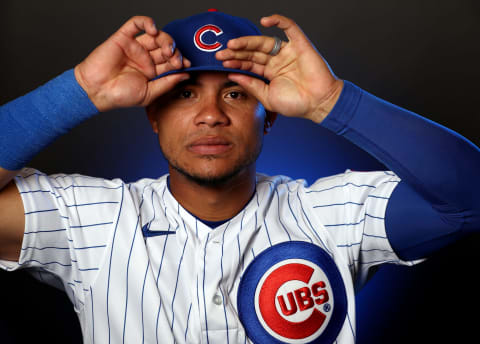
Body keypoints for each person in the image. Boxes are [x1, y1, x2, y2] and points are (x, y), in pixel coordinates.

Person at [0, 9, 478, 344]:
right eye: (185, 95)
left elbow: (470, 200)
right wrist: (81, 90)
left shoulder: (332, 214)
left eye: (235, 94)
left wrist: (333, 101)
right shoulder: (90, 219)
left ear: (268, 115)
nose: (210, 115)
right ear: (153, 115)